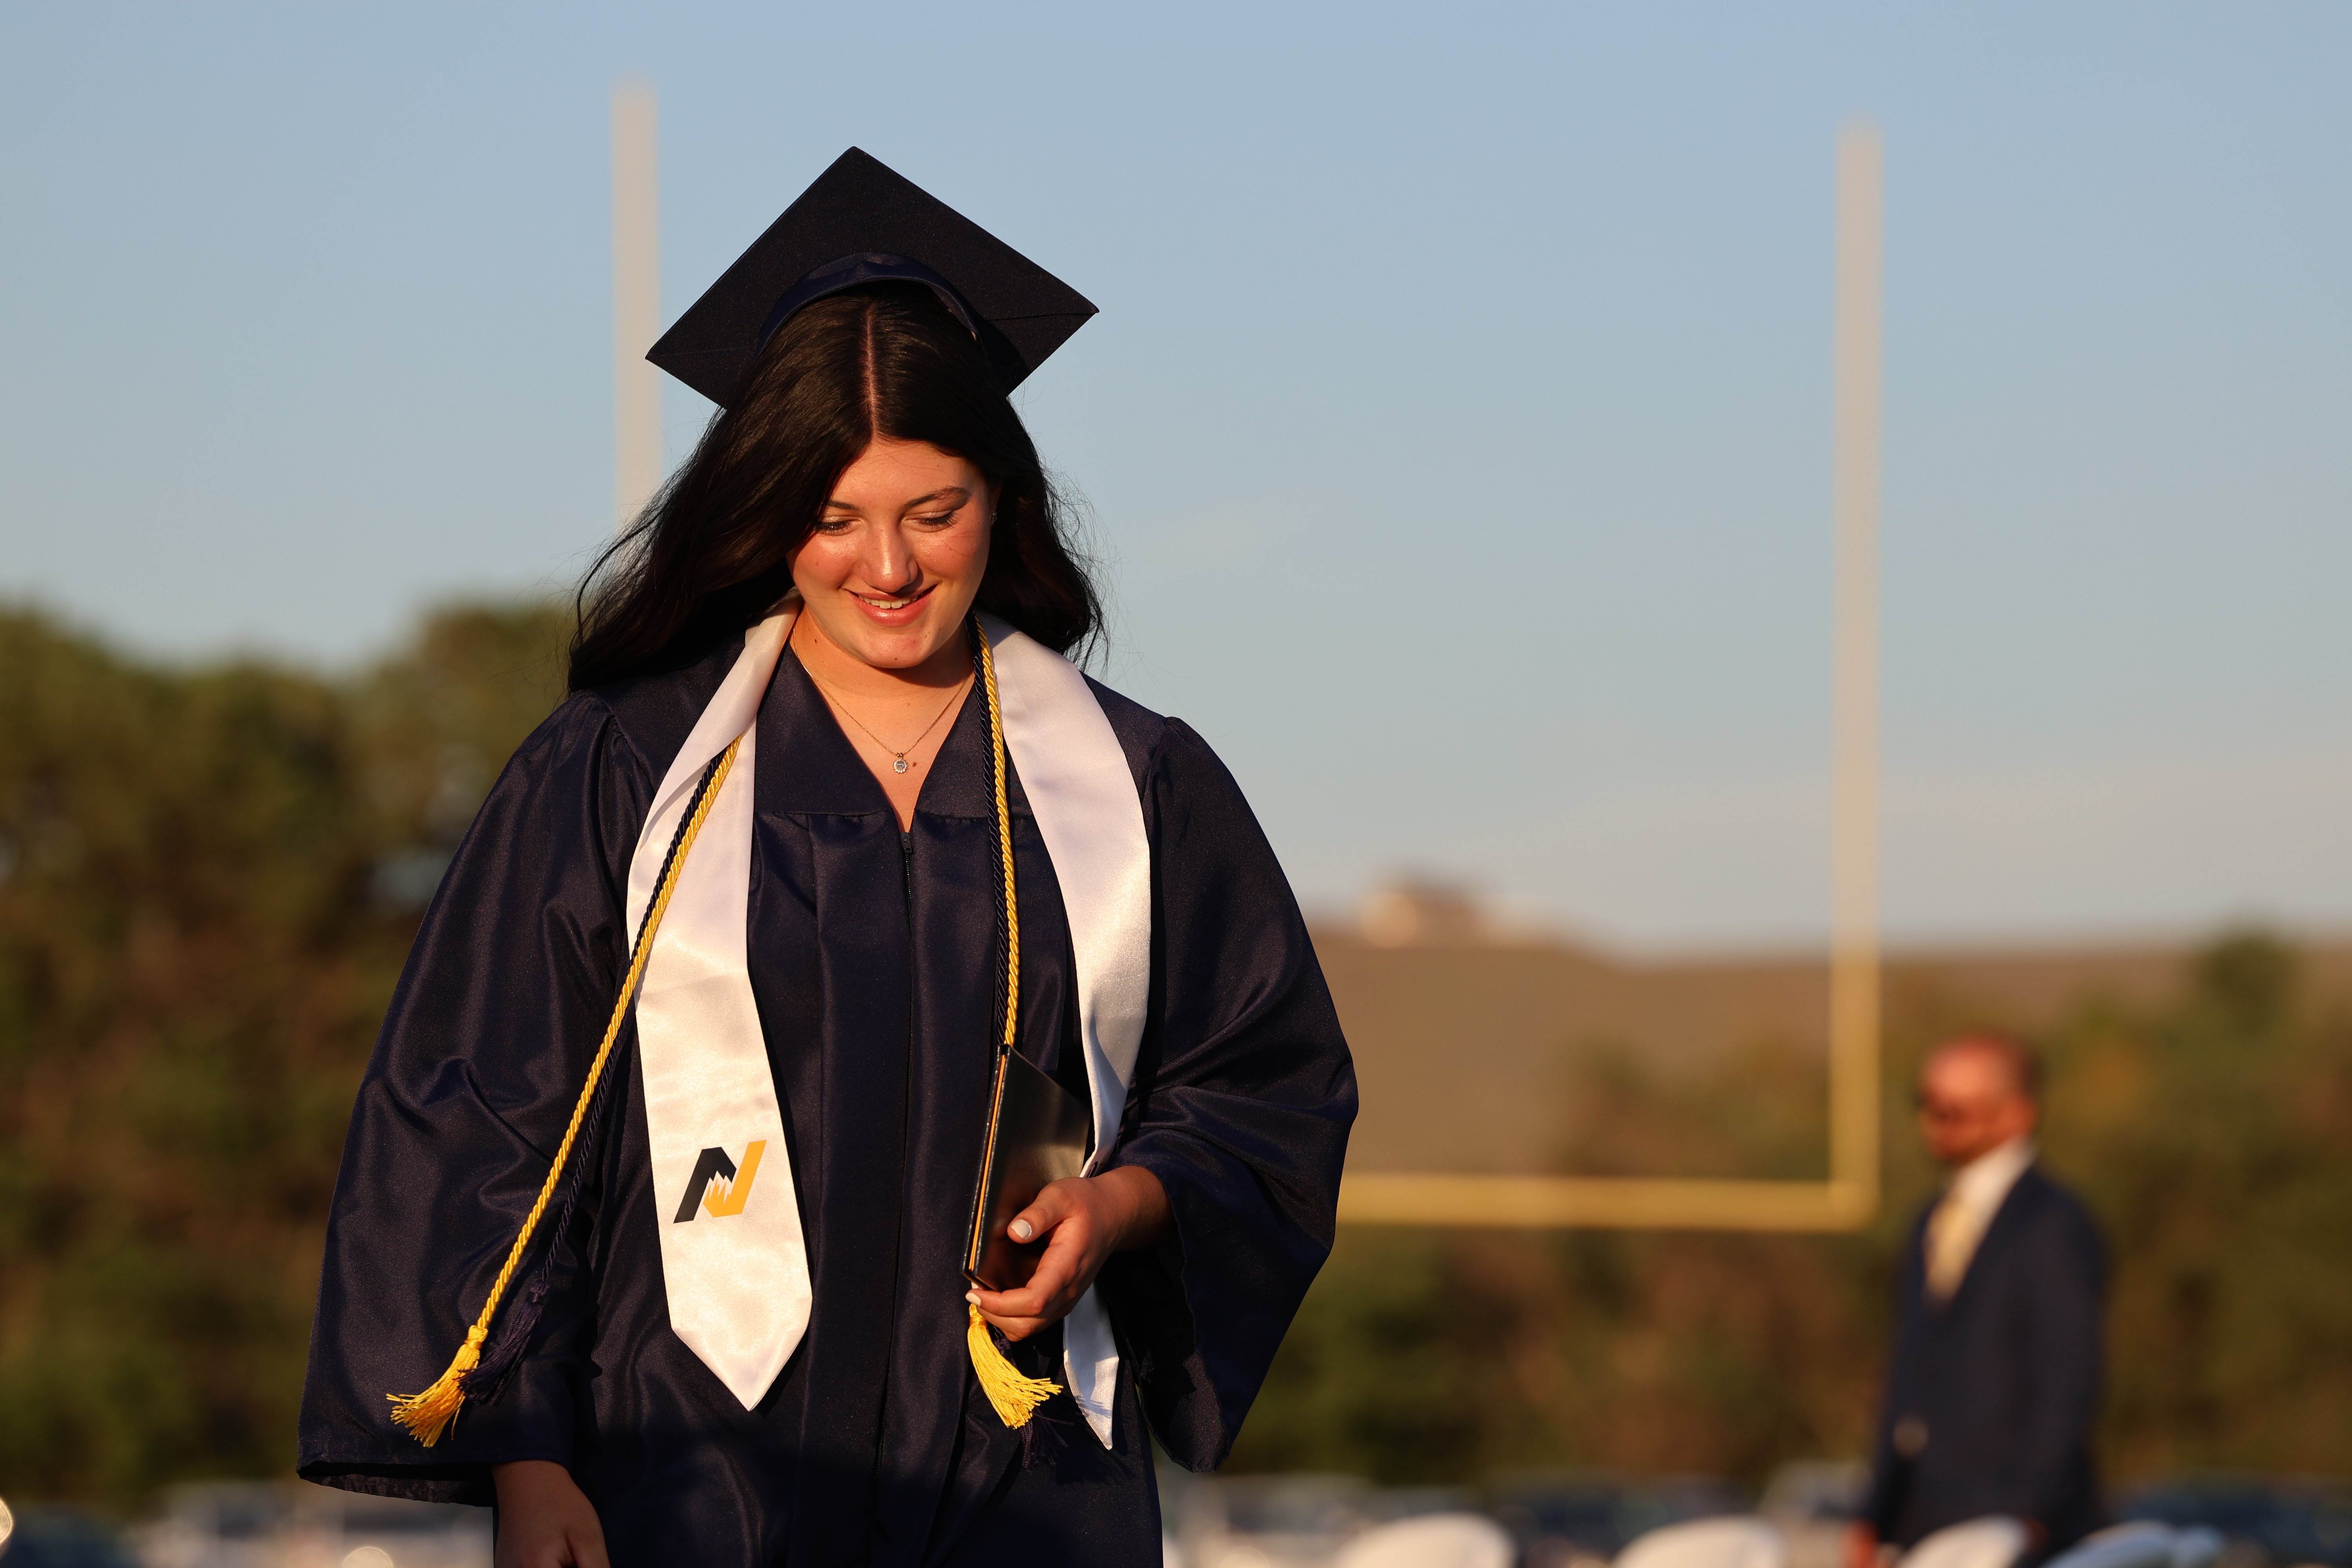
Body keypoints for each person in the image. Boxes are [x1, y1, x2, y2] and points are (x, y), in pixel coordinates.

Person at [298, 149, 1357, 1567]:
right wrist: (529, 1457)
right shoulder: (621, 773)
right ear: (765, 512)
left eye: (936, 512)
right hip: (683, 1475)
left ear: (1005, 499)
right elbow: (491, 1119)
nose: (891, 570)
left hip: (1026, 1474)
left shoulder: (1137, 783)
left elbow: (1258, 1089)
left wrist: (1120, 1204)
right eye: (835, 519)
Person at [1849, 1034, 2106, 1568]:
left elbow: (2066, 1383)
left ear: (2016, 1114)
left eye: (1955, 1110)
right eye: (1926, 1105)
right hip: (1923, 1520)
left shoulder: (2053, 1224)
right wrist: (1876, 1512)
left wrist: (2030, 1512)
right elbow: (1908, 1380)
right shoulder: (1930, 1222)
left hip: (2013, 1525)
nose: (1934, 1123)